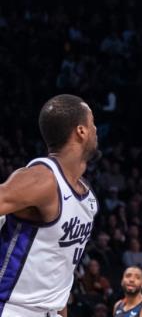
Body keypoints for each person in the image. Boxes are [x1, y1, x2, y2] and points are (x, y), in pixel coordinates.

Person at [0, 94, 100, 316]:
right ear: (81, 131)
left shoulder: (86, 194)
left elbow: (59, 266)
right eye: (92, 123)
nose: (96, 129)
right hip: (14, 309)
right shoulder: (41, 179)